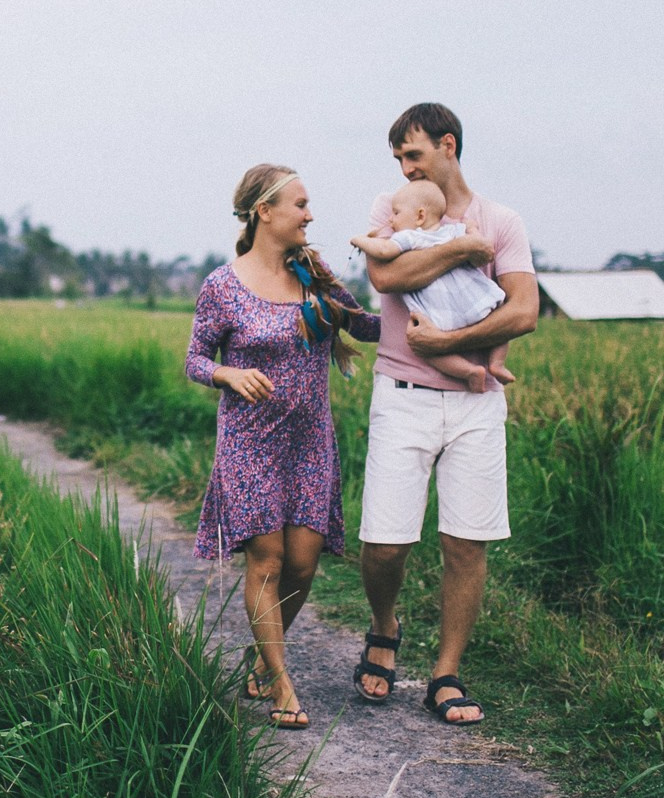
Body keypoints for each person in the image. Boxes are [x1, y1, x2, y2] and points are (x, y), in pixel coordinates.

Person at [354, 104, 538, 724]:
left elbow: (524, 312)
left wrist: (446, 344)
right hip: (401, 393)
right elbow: (385, 271)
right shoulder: (392, 206)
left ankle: (447, 671)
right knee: (384, 545)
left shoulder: (502, 221)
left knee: (466, 543)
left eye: (414, 155)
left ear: (448, 145)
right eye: (399, 159)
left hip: (476, 403)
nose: (404, 170)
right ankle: (385, 625)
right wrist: (461, 252)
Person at [186, 164, 382, 729]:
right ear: (263, 212)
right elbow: (195, 358)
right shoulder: (223, 285)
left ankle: (262, 658)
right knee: (267, 559)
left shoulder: (314, 278)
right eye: (299, 204)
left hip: (309, 440)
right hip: (250, 441)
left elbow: (366, 327)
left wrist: (401, 271)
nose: (310, 214)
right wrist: (226, 375)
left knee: (302, 563)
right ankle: (282, 682)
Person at [349, 179, 513, 393]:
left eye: (396, 213)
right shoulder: (454, 231)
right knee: (499, 322)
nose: (391, 219)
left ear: (420, 216)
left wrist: (360, 240)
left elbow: (383, 251)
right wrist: (472, 228)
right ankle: (497, 363)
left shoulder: (409, 237)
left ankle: (470, 372)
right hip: (470, 299)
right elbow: (477, 243)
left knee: (428, 349)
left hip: (440, 313)